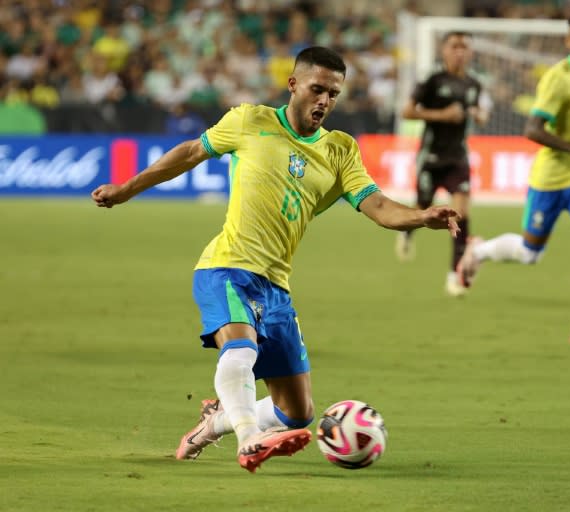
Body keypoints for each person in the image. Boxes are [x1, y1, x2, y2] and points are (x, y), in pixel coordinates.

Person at [91, 47, 460, 472]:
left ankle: (216, 423)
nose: (325, 100)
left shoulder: (340, 150)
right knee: (240, 349)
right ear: (293, 84)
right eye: (317, 89)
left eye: (333, 94)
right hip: (226, 266)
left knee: (298, 413)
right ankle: (249, 439)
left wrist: (420, 216)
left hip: (276, 285)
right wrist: (125, 190)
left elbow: (375, 205)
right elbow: (192, 152)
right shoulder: (251, 120)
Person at [456, 12, 570, 347]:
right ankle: (479, 252)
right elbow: (532, 129)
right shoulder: (558, 78)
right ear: (569, 41)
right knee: (529, 252)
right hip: (550, 179)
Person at [394, 31, 489, 297]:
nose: (459, 51)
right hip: (431, 157)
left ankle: (454, 276)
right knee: (422, 208)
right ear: (444, 51)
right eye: (454, 46)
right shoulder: (432, 81)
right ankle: (407, 233)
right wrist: (443, 115)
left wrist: (479, 114)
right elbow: (407, 111)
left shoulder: (474, 84)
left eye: (464, 47)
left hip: (458, 157)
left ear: (470, 53)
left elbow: (479, 110)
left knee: (461, 215)